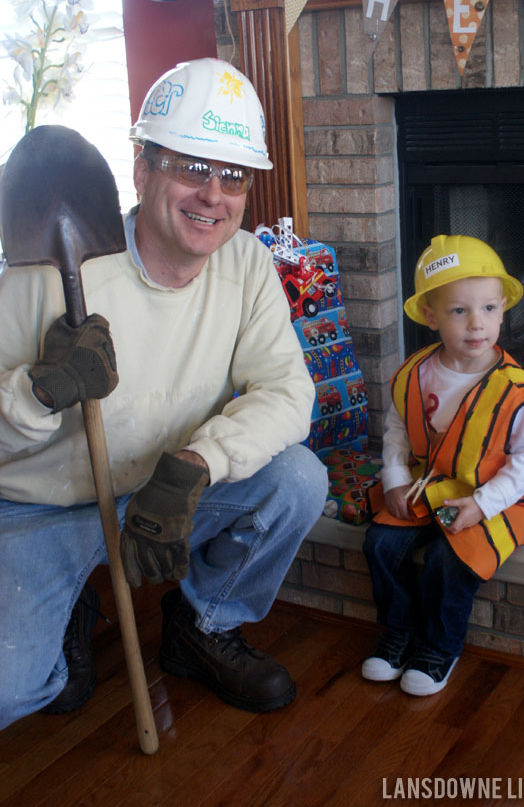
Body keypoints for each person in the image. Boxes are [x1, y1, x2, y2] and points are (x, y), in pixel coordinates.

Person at [0, 57, 328, 728]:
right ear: (143, 169)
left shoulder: (244, 263)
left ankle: (201, 626)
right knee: (13, 691)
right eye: (191, 166)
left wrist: (197, 463)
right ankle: (67, 621)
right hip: (40, 512)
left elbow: (288, 391)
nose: (213, 194)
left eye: (231, 174)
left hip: (162, 495)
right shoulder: (49, 276)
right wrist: (38, 392)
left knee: (297, 479)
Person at [362, 234, 524, 696]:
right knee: (381, 542)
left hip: (493, 498)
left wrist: (482, 505)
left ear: (503, 310)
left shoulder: (517, 392)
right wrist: (393, 477)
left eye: (489, 309)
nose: (476, 324)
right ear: (430, 316)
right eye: (458, 311)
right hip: (433, 487)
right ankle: (399, 631)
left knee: (449, 559)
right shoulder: (416, 372)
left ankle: (439, 647)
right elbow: (397, 430)